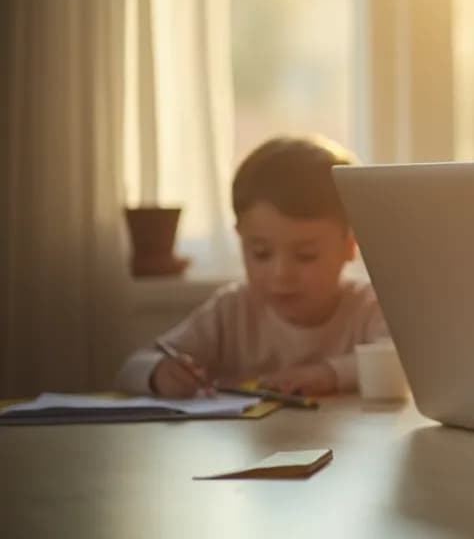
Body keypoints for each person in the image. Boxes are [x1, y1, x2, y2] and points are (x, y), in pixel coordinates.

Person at [117, 135, 389, 397]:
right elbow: (132, 367)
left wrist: (328, 374)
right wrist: (158, 372)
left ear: (350, 246)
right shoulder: (231, 311)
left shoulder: (366, 307)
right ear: (240, 239)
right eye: (261, 253)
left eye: (306, 255)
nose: (282, 273)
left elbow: (401, 362)